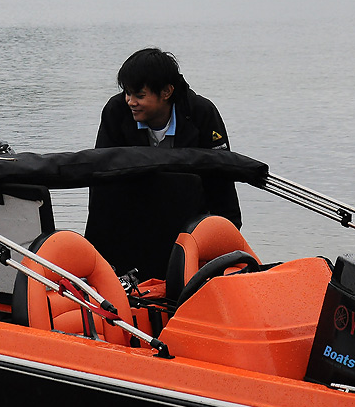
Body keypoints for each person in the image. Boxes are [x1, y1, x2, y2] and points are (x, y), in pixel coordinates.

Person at [85, 48, 241, 279]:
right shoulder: (116, 112)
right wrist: (96, 252)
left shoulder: (201, 113)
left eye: (139, 95)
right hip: (133, 213)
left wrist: (229, 234)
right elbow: (101, 182)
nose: (131, 102)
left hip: (186, 218)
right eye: (127, 93)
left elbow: (221, 179)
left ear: (167, 92)